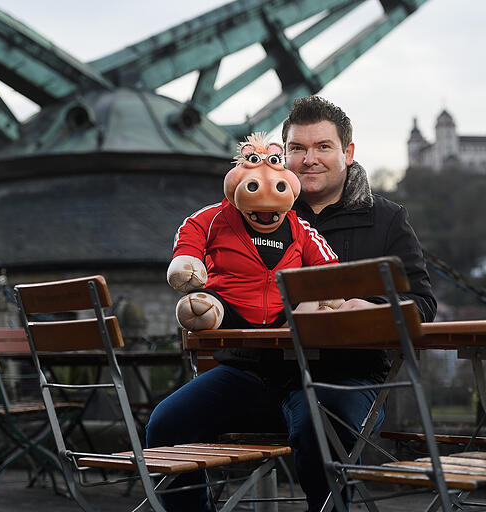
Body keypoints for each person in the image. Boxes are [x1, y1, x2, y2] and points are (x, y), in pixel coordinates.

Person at [146, 95, 436, 512]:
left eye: (323, 147)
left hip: (343, 378)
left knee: (319, 428)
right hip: (256, 372)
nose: (309, 159)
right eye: (297, 148)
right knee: (167, 425)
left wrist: (360, 305)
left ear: (347, 153)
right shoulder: (251, 207)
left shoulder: (386, 218)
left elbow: (422, 303)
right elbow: (216, 271)